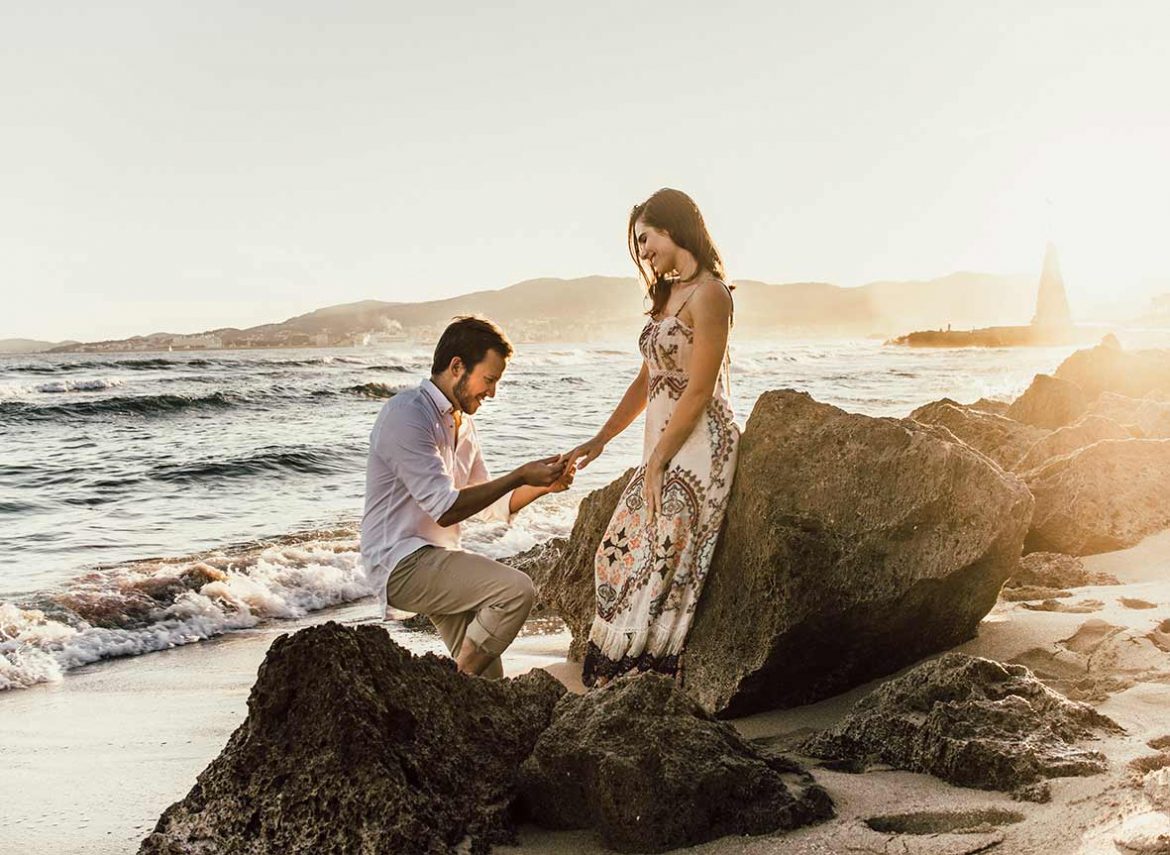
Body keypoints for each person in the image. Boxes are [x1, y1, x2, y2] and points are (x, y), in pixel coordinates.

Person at [566, 188, 740, 687]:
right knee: (615, 552)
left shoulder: (712, 294)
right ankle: (624, 666)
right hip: (664, 445)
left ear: (673, 228)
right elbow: (648, 379)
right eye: (639, 244)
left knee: (665, 554)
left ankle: (653, 669)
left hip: (702, 444)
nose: (642, 252)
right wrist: (601, 439)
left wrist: (660, 459)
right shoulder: (667, 295)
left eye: (646, 239)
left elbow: (700, 388)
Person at [361, 315, 574, 678]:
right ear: (457, 366)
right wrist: (518, 475)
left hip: (438, 556)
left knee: (490, 682)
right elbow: (445, 509)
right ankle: (453, 686)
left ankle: (464, 695)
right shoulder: (407, 414)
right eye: (489, 380)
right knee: (515, 591)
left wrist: (543, 485)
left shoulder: (462, 423)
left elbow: (492, 506)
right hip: (400, 561)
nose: (492, 392)